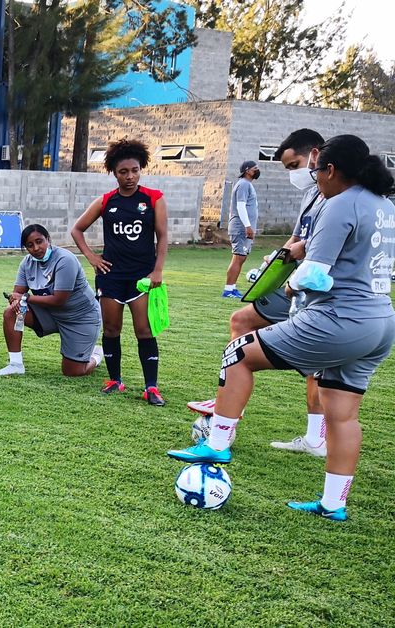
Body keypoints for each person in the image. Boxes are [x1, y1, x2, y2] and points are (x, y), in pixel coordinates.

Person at [168, 134, 395, 522]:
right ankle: (333, 504)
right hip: (380, 321)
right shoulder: (384, 205)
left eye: (315, 171)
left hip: (339, 319)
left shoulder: (338, 203)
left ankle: (218, 443)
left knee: (237, 353)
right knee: (342, 414)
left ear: (331, 169)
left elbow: (316, 276)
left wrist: (286, 284)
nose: (314, 179)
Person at [186, 129, 328, 456]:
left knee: (314, 364)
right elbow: (296, 238)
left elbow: (321, 245)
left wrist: (293, 254)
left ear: (316, 156)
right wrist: (278, 257)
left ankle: (229, 406)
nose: (293, 174)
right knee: (243, 321)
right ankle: (232, 402)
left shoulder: (336, 195)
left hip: (314, 290)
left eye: (294, 165)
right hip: (296, 283)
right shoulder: (313, 193)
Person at [70, 138, 168, 406]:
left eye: (134, 170)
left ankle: (151, 387)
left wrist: (158, 270)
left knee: (144, 330)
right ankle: (115, 380)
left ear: (141, 168)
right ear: (114, 172)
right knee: (112, 329)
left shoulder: (153, 198)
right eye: (123, 172)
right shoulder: (106, 202)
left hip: (141, 277)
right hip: (111, 276)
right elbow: (77, 229)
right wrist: (92, 257)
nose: (130, 176)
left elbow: (162, 236)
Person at [0, 225, 103, 377]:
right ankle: (15, 364)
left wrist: (25, 298)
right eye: (30, 245)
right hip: (50, 314)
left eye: (39, 241)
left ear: (48, 239)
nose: (36, 248)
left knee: (73, 371)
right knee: (12, 312)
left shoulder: (65, 259)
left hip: (80, 317)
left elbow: (59, 300)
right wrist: (15, 300)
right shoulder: (27, 263)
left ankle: (97, 354)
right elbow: (18, 293)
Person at [223, 160, 260, 298]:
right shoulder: (243, 184)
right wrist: (247, 226)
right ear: (247, 170)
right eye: (255, 168)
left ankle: (232, 288)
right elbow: (240, 206)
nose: (257, 170)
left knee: (241, 258)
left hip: (245, 227)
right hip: (240, 227)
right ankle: (228, 290)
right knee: (238, 257)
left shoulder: (247, 185)